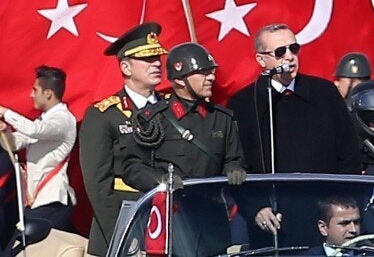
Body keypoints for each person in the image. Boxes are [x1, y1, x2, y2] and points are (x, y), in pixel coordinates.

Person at [227, 23, 360, 240]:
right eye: (280, 52)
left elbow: (349, 154)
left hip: (324, 218)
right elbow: (236, 164)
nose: (289, 57)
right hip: (274, 223)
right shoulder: (244, 103)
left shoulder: (324, 93)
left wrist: (342, 205)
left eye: (294, 49)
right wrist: (256, 208)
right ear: (261, 60)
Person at [79, 22, 168, 256]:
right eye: (147, 59)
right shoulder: (103, 115)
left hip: (170, 222)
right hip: (125, 221)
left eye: (158, 57)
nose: (157, 63)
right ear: (126, 67)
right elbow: (98, 185)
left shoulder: (171, 109)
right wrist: (123, 234)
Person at [122, 42, 246, 191]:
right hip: (171, 208)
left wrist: (234, 169)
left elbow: (234, 159)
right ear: (180, 79)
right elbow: (133, 168)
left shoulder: (221, 118)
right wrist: (160, 180)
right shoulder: (154, 119)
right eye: (203, 72)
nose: (211, 77)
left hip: (212, 207)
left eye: (211, 71)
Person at [0, 65, 76, 232]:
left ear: (48, 93)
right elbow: (14, 144)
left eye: (35, 90)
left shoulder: (63, 120)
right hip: (36, 201)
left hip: (52, 200)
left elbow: (35, 130)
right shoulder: (43, 121)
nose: (31, 94)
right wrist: (4, 131)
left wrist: (4, 112)